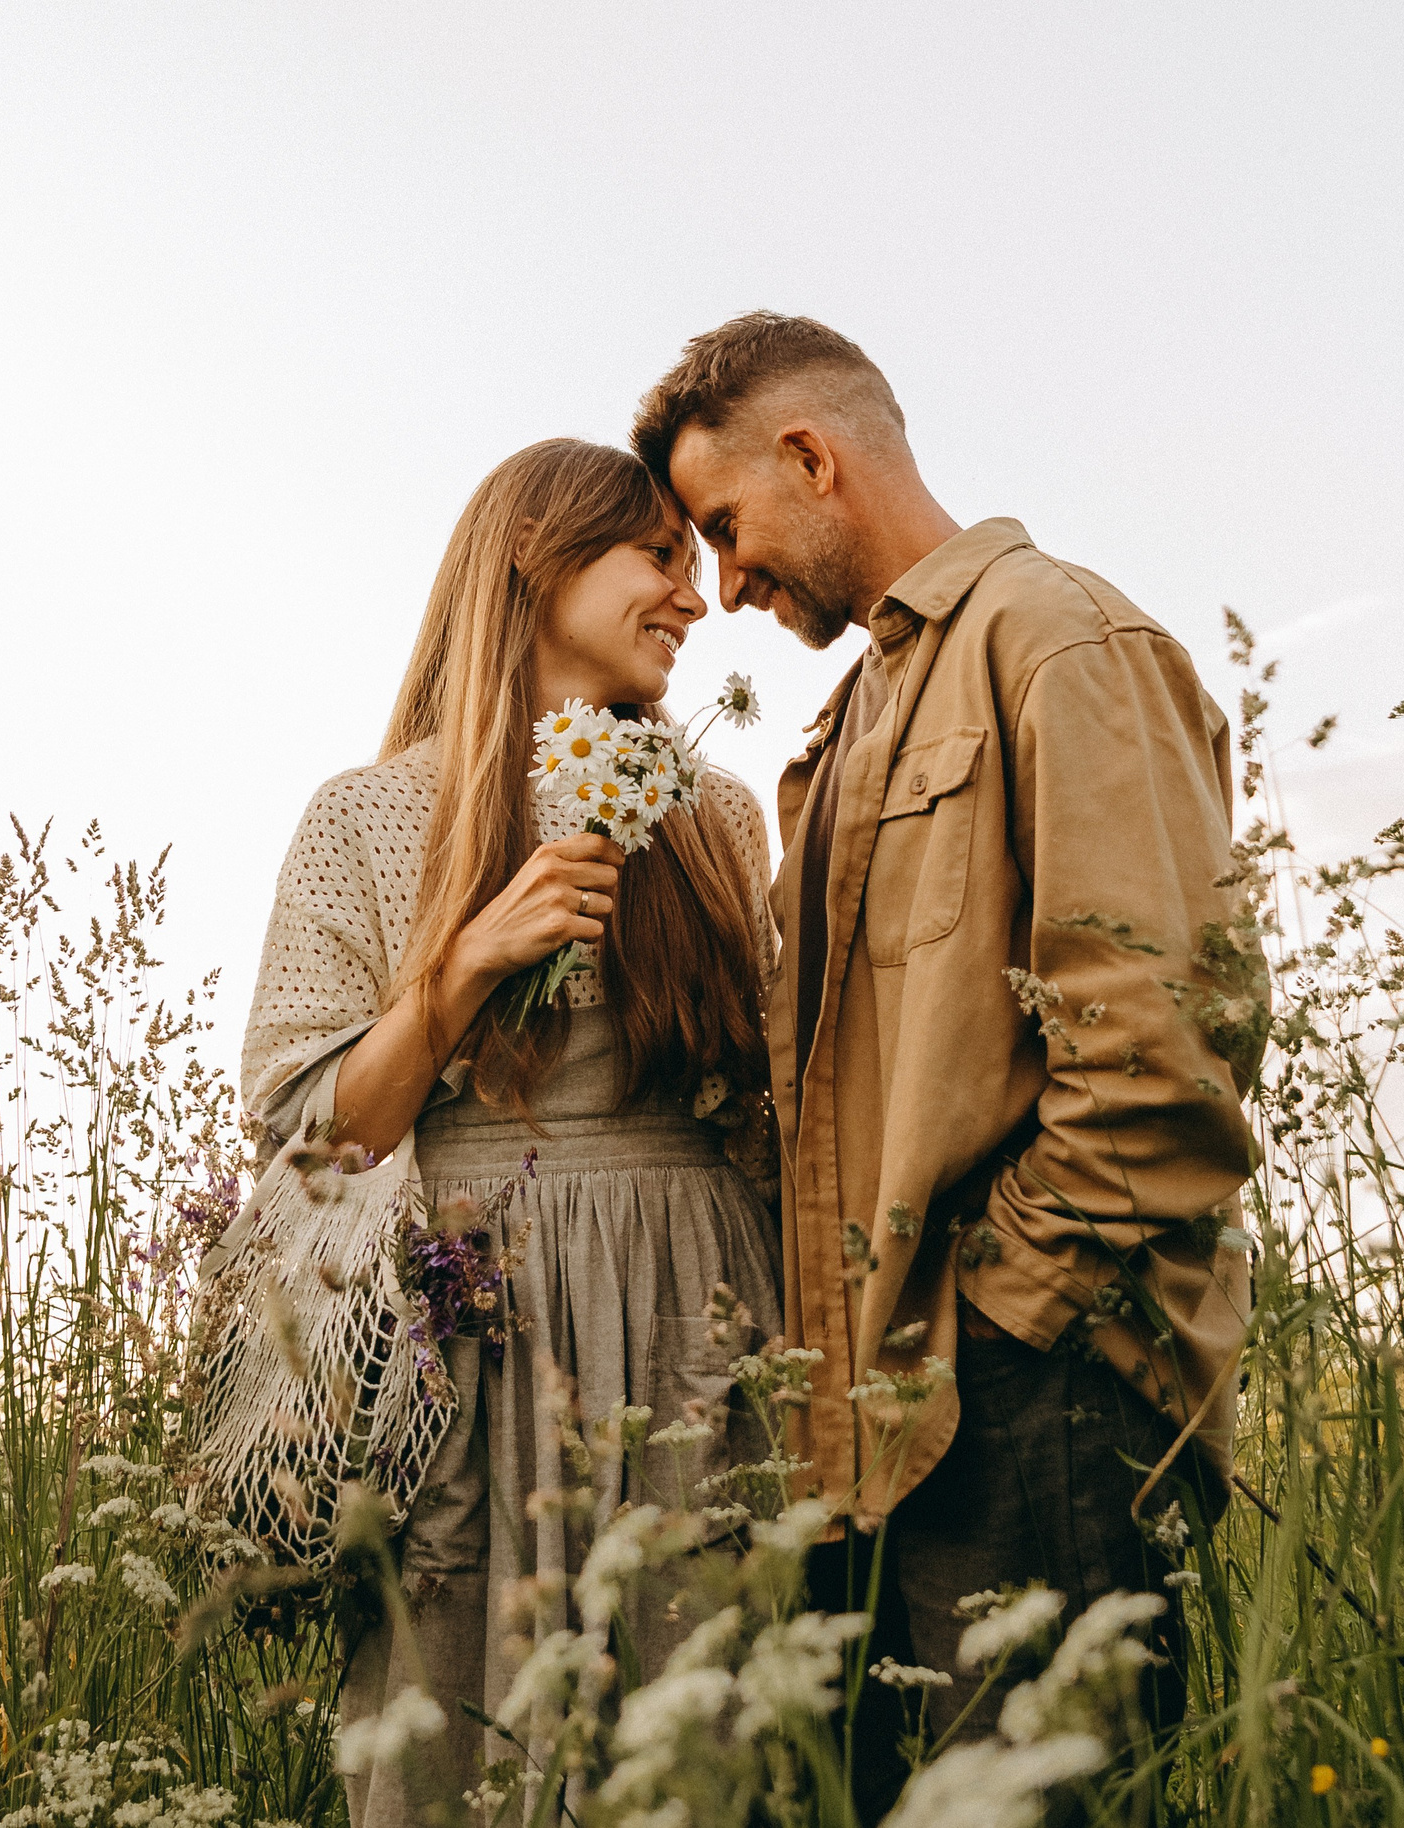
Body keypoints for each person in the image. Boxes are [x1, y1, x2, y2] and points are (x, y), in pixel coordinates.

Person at [632, 315, 1267, 1769]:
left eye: (727, 529)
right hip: (879, 1426)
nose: (724, 587)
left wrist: (1007, 1309)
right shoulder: (858, 713)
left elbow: (1171, 1034)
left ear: (812, 456)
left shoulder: (1057, 639)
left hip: (1034, 1395)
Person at [236, 437, 783, 1827]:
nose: (693, 595)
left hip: (694, 1315)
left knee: (702, 1729)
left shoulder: (715, 813)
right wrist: (463, 967)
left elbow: (770, 1115)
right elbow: (316, 1141)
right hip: (468, 1323)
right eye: (659, 556)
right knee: (450, 1741)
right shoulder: (366, 816)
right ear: (540, 563)